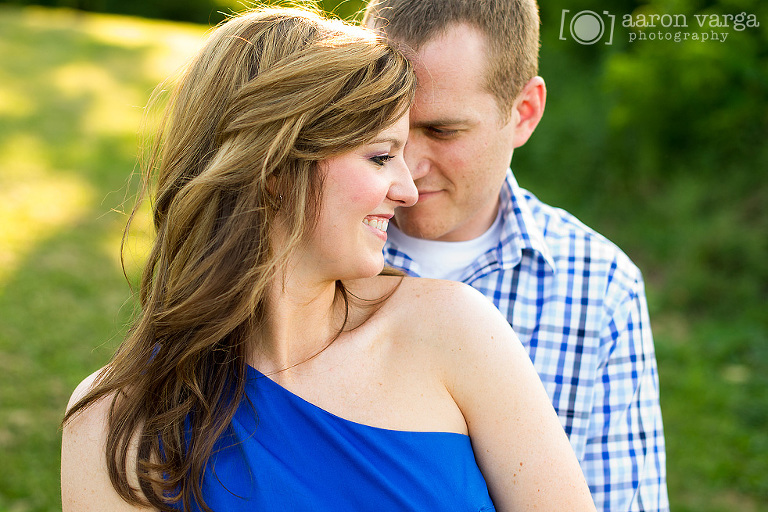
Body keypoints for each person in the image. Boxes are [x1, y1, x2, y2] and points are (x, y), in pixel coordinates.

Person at [61, 6, 597, 512]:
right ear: (275, 166)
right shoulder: (115, 422)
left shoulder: (455, 331)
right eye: (382, 156)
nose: (407, 189)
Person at [362, 1, 669, 511]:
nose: (407, 166)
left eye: (443, 131)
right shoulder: (309, 249)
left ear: (523, 112)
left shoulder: (598, 286)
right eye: (383, 125)